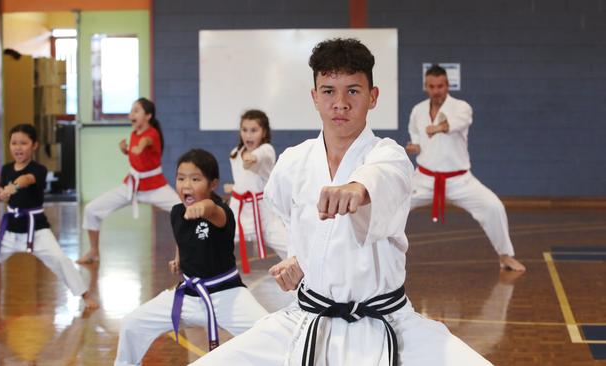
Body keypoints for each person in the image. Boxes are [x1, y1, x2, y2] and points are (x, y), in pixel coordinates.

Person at [190, 38, 491, 365]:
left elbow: (382, 178)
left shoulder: (388, 155)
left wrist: (357, 188)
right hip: (305, 318)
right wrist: (297, 257)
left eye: (353, 90)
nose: (340, 103)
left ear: (373, 97)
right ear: (315, 97)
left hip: (387, 322)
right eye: (329, 91)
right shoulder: (293, 162)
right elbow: (281, 212)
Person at [113, 149, 268, 366]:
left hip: (227, 297)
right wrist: (179, 258)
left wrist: (203, 206)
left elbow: (212, 209)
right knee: (131, 324)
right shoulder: (177, 212)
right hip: (187, 296)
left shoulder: (221, 212)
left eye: (195, 179)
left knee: (268, 334)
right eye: (181, 178)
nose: (186, 185)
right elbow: (184, 238)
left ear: (213, 184)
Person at [0, 124, 97, 309]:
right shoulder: (6, 168)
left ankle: (84, 295)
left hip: (36, 229)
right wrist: (2, 193)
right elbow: (1, 187)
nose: (18, 147)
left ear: (34, 145)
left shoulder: (39, 169)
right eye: (14, 143)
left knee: (60, 260)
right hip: (9, 230)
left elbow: (27, 179)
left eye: (23, 143)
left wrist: (12, 187)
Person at [405, 65, 526, 272]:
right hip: (424, 179)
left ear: (447, 85)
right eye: (432, 86)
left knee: (493, 206)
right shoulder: (418, 110)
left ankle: (505, 256)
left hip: (459, 180)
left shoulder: (461, 107)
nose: (436, 90)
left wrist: (438, 127)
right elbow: (416, 137)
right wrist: (414, 146)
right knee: (389, 205)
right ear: (426, 86)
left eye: (440, 86)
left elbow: (456, 124)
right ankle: (373, 256)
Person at [78, 98, 180, 264]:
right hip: (132, 186)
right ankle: (94, 251)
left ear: (148, 116)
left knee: (185, 211)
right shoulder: (134, 132)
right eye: (131, 111)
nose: (131, 114)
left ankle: (193, 253)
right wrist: (126, 150)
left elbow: (146, 142)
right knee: (91, 209)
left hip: (155, 187)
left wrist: (140, 147)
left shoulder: (152, 133)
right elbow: (138, 156)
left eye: (136, 110)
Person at [226, 109, 288, 273]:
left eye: (254, 130)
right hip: (239, 213)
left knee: (291, 249)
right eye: (244, 130)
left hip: (265, 215)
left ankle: (309, 284)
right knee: (217, 243)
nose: (248, 135)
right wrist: (234, 187)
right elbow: (245, 180)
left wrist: (251, 158)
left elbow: (257, 157)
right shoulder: (235, 153)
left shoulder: (267, 150)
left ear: (264, 132)